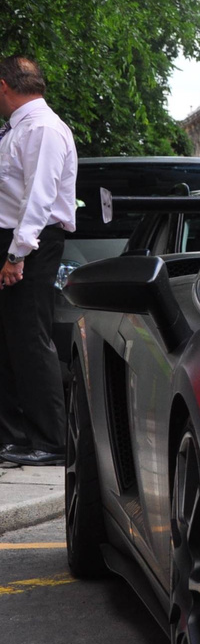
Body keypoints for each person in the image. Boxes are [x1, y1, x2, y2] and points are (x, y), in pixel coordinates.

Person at [0, 56, 78, 466]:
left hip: (31, 240)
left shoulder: (43, 128)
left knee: (31, 337)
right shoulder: (20, 129)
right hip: (17, 237)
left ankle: (51, 441)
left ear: (4, 86)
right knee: (11, 339)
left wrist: (17, 252)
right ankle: (14, 436)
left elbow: (40, 197)